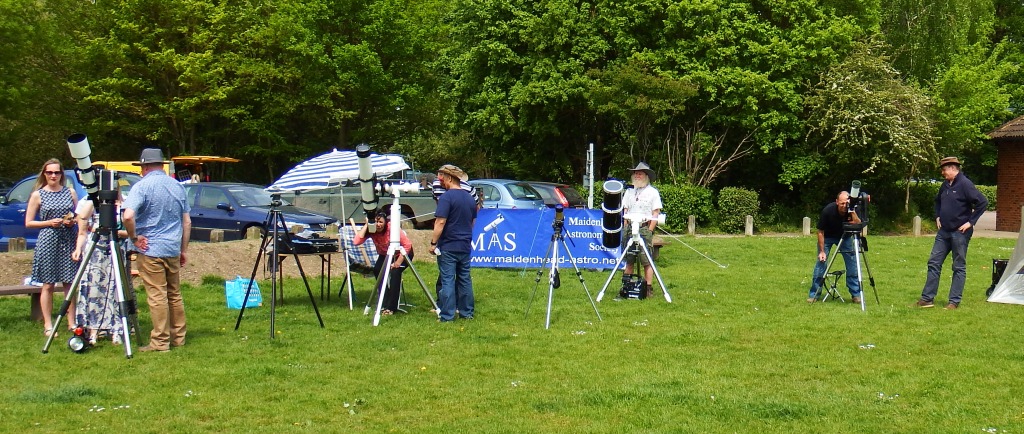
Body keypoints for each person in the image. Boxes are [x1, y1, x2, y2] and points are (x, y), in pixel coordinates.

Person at [122, 148, 191, 352]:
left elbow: (127, 216)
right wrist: (183, 249)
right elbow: (186, 222)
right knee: (174, 294)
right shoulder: (178, 186)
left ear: (143, 166)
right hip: (172, 248)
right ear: (162, 165)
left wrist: (134, 237)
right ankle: (178, 338)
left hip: (150, 248)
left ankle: (160, 341)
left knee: (157, 295)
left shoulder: (142, 186)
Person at [916, 156, 988, 309]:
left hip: (959, 233)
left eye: (944, 170)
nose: (942, 173)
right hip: (943, 232)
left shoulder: (965, 184)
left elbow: (983, 202)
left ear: (952, 168)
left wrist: (970, 222)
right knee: (934, 262)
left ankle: (953, 302)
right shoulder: (945, 185)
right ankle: (927, 299)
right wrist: (937, 216)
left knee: (958, 266)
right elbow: (938, 201)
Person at [25, 158, 78, 337]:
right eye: (50, 172)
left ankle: (72, 322)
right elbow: (29, 222)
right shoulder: (38, 195)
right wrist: (48, 222)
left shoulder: (70, 192)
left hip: (68, 239)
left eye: (57, 172)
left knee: (69, 283)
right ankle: (48, 324)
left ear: (61, 174)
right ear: (44, 174)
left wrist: (72, 222)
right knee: (48, 284)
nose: (53, 175)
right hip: (48, 240)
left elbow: (78, 216)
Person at [71, 194, 128, 345]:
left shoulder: (124, 203)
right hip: (95, 251)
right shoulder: (89, 201)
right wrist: (95, 197)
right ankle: (93, 330)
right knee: (93, 289)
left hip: (116, 248)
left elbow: (129, 230)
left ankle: (117, 329)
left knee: (116, 290)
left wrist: (114, 232)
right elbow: (82, 220)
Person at [429, 164, 477, 322]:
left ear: (450, 178)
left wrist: (433, 242)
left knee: (447, 280)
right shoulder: (470, 199)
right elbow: (473, 222)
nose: (441, 181)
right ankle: (467, 313)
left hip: (449, 245)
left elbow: (440, 222)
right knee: (465, 279)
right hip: (464, 245)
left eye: (443, 178)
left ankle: (447, 315)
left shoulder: (446, 197)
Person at [353, 209, 414, 315]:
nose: (378, 225)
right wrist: (367, 225)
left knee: (395, 272)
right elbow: (356, 242)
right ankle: (384, 299)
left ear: (385, 222)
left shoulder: (391, 228)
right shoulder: (371, 229)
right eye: (376, 222)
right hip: (385, 254)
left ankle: (391, 307)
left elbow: (407, 245)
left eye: (381, 222)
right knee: (377, 270)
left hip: (402, 254)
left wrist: (398, 263)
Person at [806, 191, 862, 303]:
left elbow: (858, 224)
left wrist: (852, 211)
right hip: (827, 237)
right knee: (821, 263)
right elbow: (820, 232)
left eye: (846, 203)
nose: (844, 205)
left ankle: (856, 295)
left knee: (852, 264)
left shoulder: (852, 209)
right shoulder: (828, 211)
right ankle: (814, 294)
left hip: (845, 237)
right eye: (842, 203)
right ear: (837, 202)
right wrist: (822, 251)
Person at [621, 162, 662, 298]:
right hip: (629, 228)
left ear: (646, 176)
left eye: (640, 173)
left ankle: (648, 287)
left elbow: (655, 213)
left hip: (644, 228)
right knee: (629, 258)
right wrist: (626, 225)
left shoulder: (653, 192)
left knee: (646, 260)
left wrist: (650, 230)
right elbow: (625, 210)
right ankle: (626, 286)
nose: (637, 175)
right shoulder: (629, 191)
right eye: (635, 173)